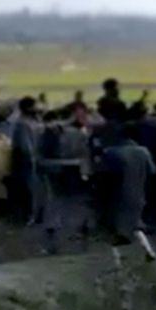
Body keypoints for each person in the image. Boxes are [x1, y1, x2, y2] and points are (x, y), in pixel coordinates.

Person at [39, 103, 94, 254]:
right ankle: (76, 230)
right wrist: (86, 172)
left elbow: (41, 153)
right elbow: (85, 155)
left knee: (55, 199)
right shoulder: (79, 133)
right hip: (72, 169)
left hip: (52, 168)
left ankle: (53, 228)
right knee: (74, 200)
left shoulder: (49, 130)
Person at [100, 122, 156, 261]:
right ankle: (148, 251)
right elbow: (153, 171)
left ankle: (117, 258)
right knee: (135, 224)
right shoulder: (144, 151)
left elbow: (105, 174)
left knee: (116, 228)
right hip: (139, 194)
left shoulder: (112, 152)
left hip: (118, 196)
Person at [10, 97, 46, 226]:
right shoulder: (23, 124)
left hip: (33, 158)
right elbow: (25, 145)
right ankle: (29, 215)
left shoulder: (32, 121)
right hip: (26, 159)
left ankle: (35, 214)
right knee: (28, 187)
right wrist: (32, 159)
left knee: (35, 188)